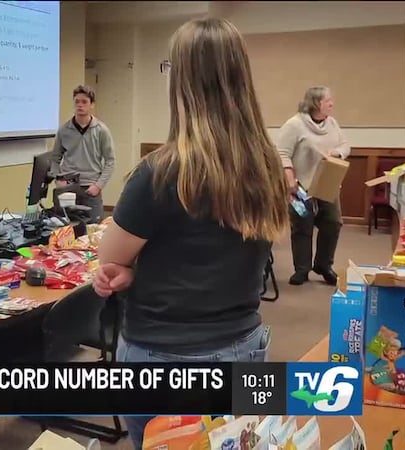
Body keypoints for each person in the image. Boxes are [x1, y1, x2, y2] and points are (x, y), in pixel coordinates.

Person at [92, 18, 289, 449]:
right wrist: (140, 274)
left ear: (182, 81)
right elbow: (215, 260)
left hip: (166, 357)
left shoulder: (159, 172)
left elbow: (109, 257)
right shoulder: (269, 165)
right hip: (249, 348)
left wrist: (129, 270)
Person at [278, 86, 350, 286]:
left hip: (326, 183)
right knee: (302, 227)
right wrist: (289, 177)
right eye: (328, 101)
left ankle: (323, 265)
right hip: (301, 186)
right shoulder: (295, 125)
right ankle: (302, 269)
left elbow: (345, 145)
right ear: (317, 103)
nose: (332, 104)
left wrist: (337, 154)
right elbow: (282, 153)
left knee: (333, 222)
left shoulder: (332, 124)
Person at [50, 85, 115, 223]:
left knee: (92, 231)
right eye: (77, 102)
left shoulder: (101, 130)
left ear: (92, 105)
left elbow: (110, 161)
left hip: (90, 188)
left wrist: (98, 185)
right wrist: (58, 179)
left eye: (84, 102)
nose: (80, 105)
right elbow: (55, 158)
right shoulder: (64, 130)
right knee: (64, 229)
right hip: (67, 187)